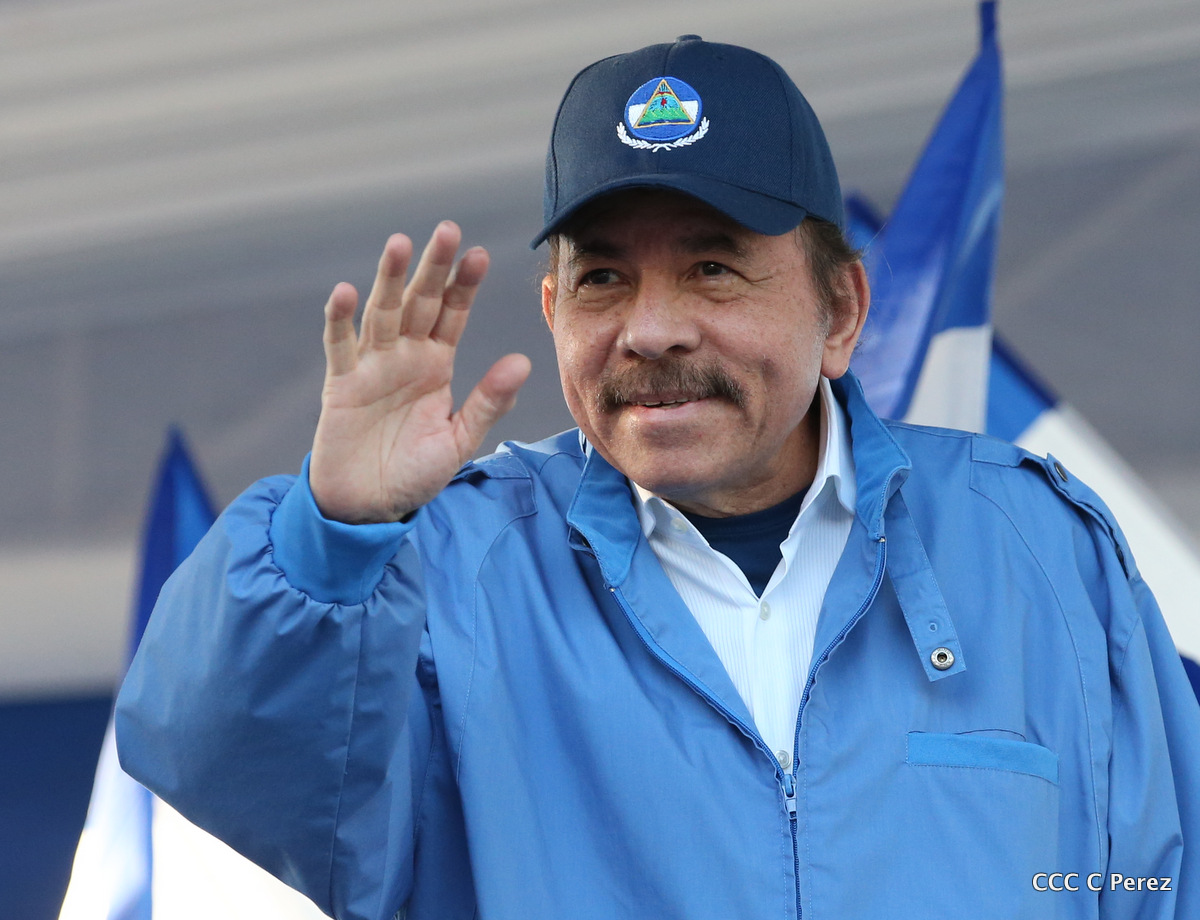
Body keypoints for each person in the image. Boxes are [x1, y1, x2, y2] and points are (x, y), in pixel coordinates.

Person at [116, 35, 1200, 920]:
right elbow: (221, 763)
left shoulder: (1041, 550)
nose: (651, 328)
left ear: (842, 311)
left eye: (713, 266)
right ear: (552, 314)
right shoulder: (438, 574)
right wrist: (333, 532)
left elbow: (1163, 881)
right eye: (602, 279)